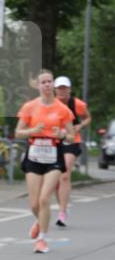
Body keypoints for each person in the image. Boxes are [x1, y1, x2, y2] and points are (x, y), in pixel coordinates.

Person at [15, 70, 75, 254]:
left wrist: (62, 135)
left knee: (44, 198)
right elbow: (18, 133)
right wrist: (34, 129)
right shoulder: (29, 107)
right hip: (34, 154)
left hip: (53, 154)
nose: (47, 85)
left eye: (50, 82)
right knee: (34, 203)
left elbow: (72, 136)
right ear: (38, 86)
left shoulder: (62, 109)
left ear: (53, 85)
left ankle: (41, 239)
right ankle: (40, 219)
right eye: (44, 82)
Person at [53, 76, 91, 227]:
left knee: (65, 173)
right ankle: (62, 204)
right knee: (55, 178)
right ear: (55, 90)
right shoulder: (51, 104)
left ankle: (62, 212)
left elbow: (88, 117)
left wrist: (80, 126)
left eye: (65, 88)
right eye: (59, 88)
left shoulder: (77, 104)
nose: (62, 90)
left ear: (69, 89)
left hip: (72, 140)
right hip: (54, 141)